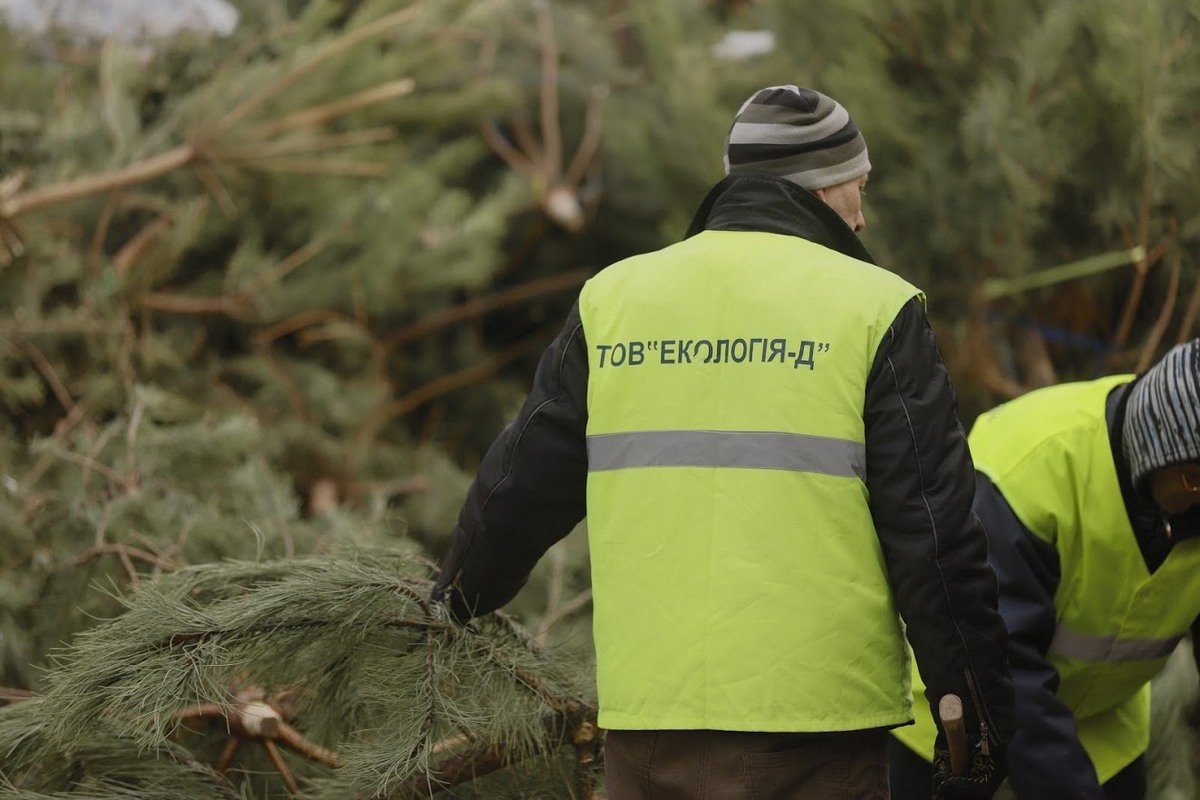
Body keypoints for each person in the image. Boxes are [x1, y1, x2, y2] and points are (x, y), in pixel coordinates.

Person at [432, 85, 1014, 799]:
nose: (861, 216)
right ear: (823, 188)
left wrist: (454, 600)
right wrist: (975, 723)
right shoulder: (873, 307)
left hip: (650, 726)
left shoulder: (615, 299)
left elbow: (522, 487)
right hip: (813, 729)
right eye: (858, 189)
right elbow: (933, 534)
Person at [890, 339, 1200, 800]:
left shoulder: (1181, 494)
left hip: (1101, 732)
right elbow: (1006, 669)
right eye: (1193, 478)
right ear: (1154, 453)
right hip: (957, 717)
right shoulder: (1031, 472)